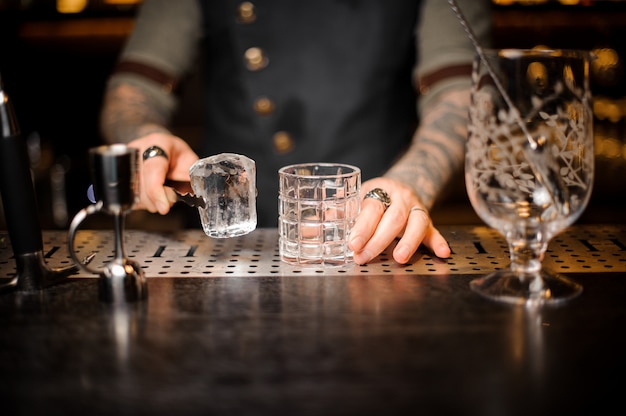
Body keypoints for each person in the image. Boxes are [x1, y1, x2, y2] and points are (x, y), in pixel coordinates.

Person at [99, 0, 492, 265]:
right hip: (224, 250)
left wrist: (410, 182)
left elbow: (462, 95)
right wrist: (147, 139)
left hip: (369, 238)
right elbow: (133, 89)